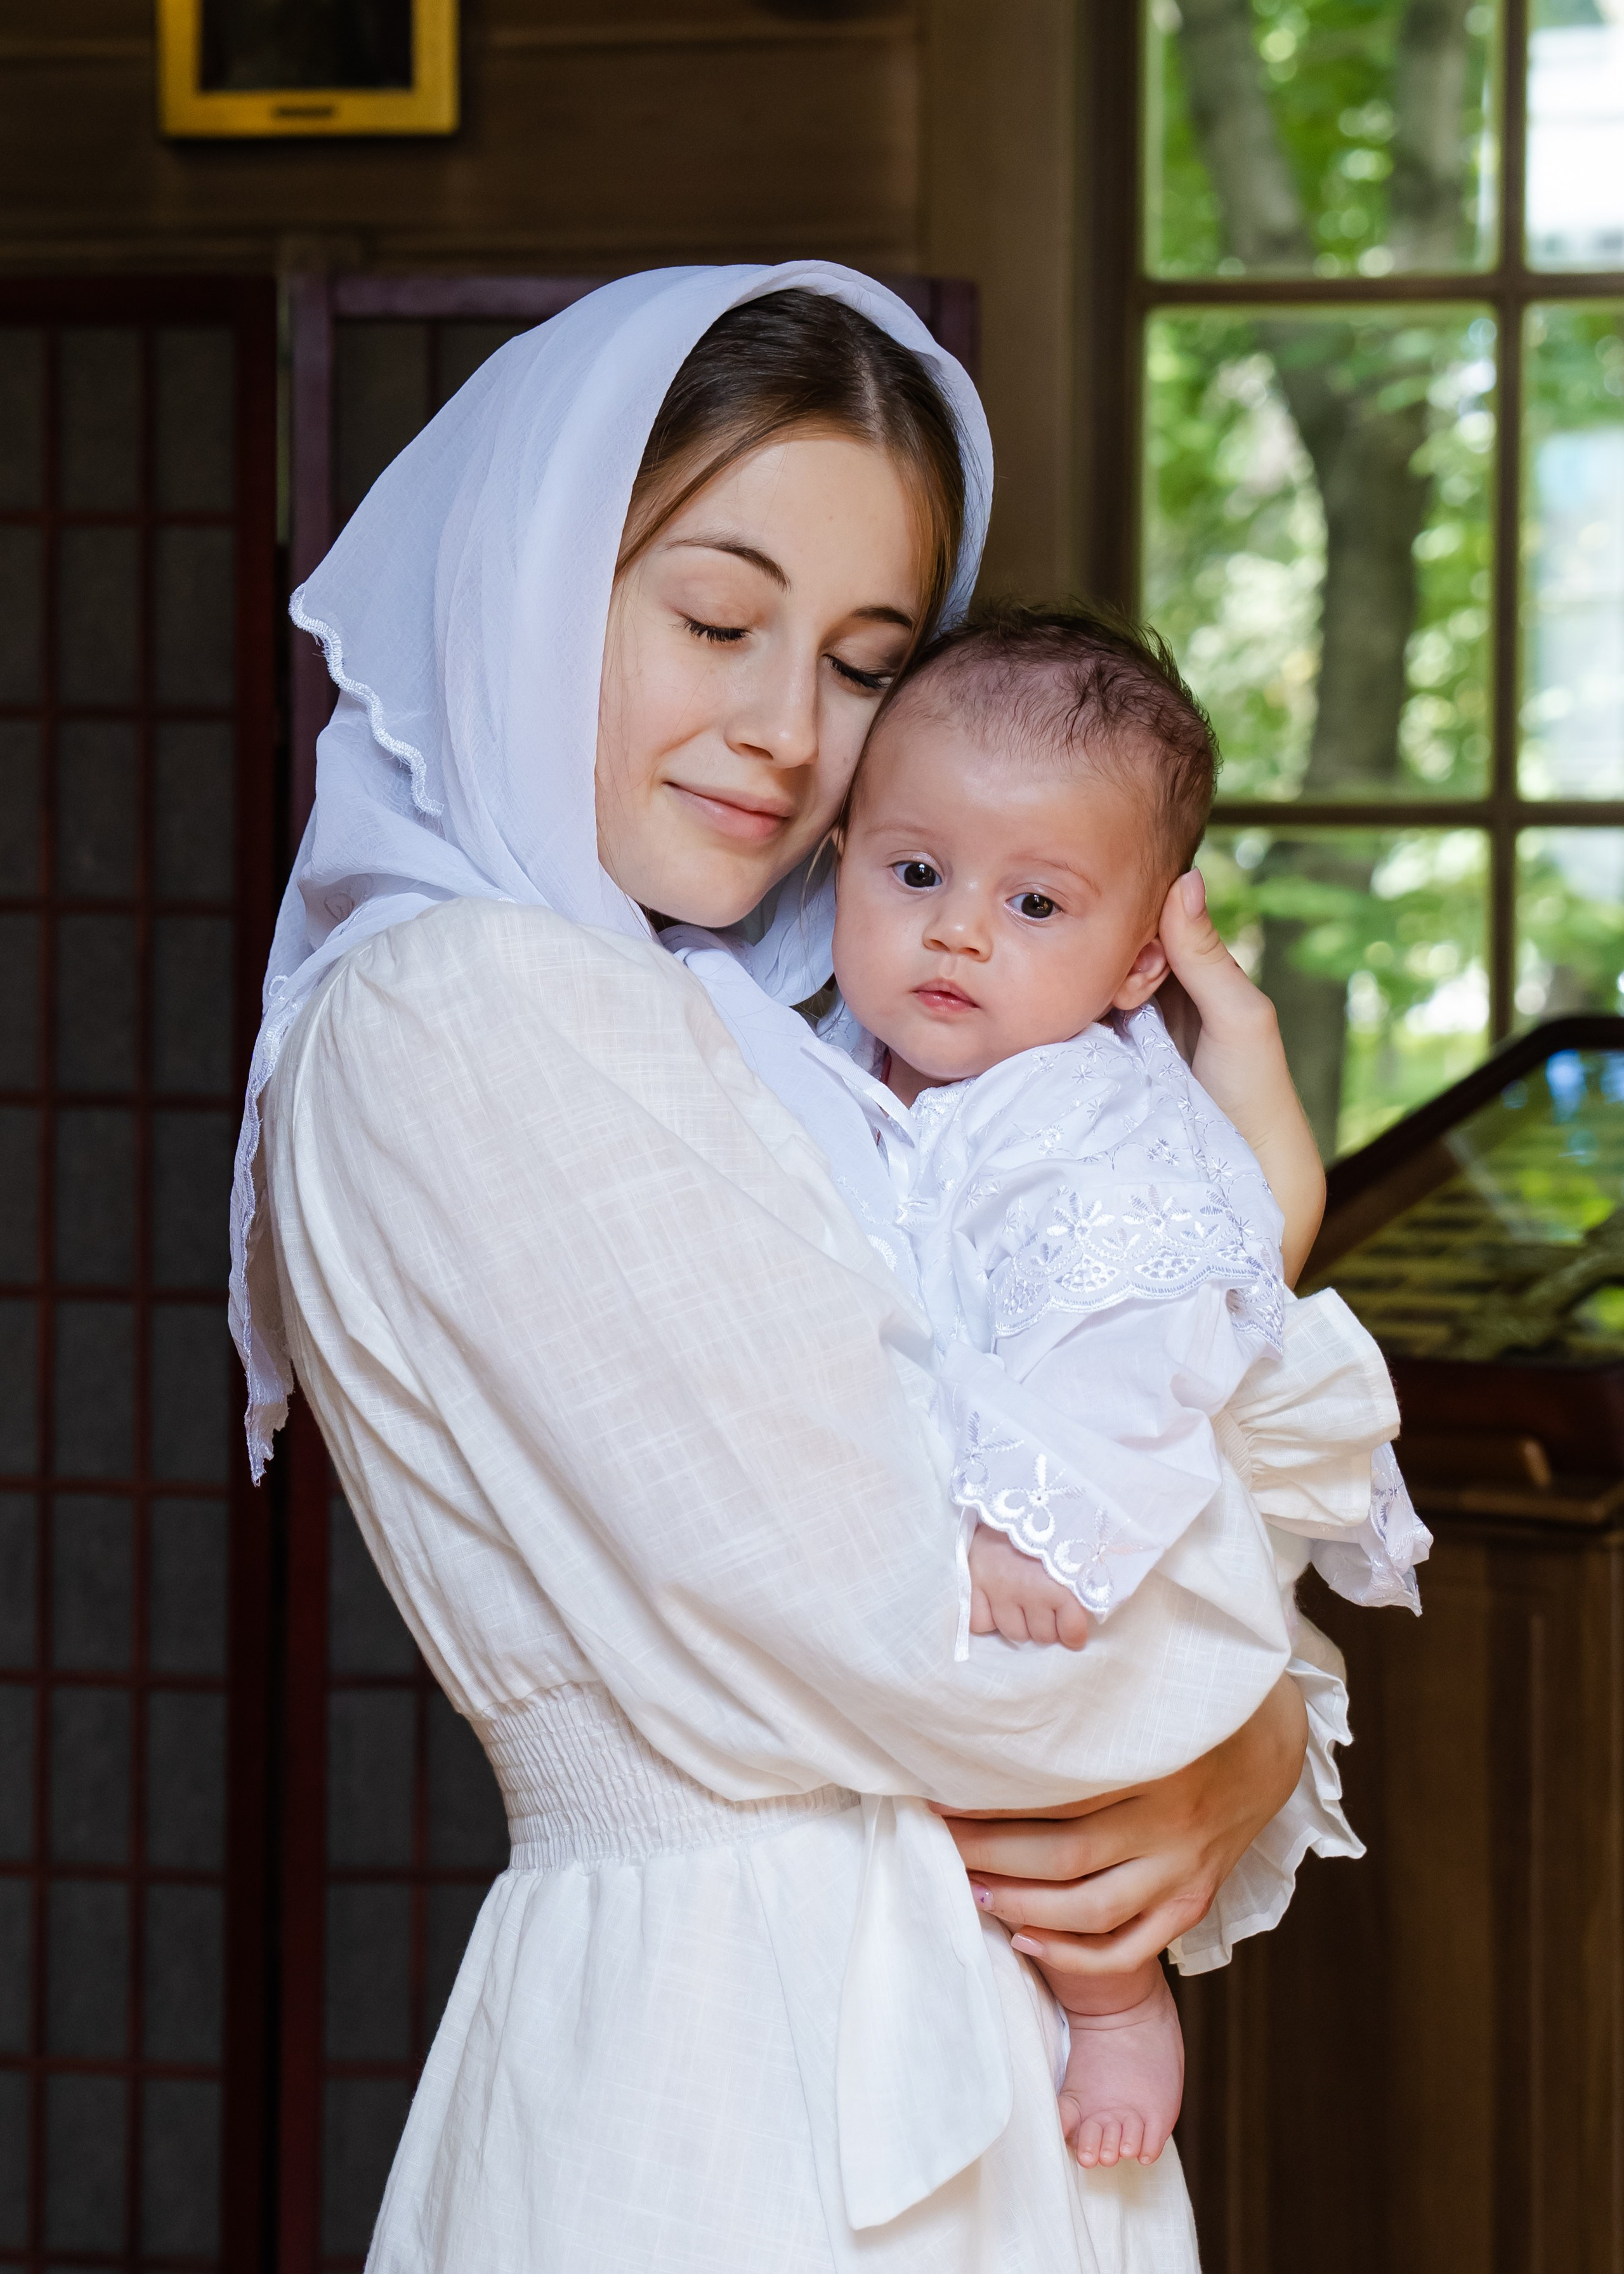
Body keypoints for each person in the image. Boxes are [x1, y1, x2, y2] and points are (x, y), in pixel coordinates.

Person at [233, 265, 1378, 2272]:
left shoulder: (794, 1038)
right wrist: (1244, 1705)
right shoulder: (470, 1010)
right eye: (713, 620)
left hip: (952, 2049)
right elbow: (932, 1634)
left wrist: (1226, 1709)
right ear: (531, 579)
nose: (787, 734)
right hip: (736, 2087)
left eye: (862, 664)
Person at [761, 597, 1424, 2172]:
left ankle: (1118, 1995)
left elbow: (1139, 1343)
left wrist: (1032, 1525)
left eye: (1035, 902)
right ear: (840, 858)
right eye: (913, 873)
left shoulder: (1088, 1119)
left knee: (1061, 1747)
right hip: (941, 1499)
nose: (958, 930)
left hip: (1087, 1516)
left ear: (1141, 962)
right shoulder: (847, 1070)